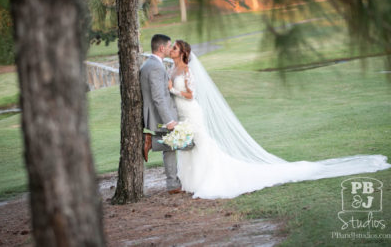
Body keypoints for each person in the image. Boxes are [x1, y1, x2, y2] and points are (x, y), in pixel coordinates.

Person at [167, 40, 391, 199]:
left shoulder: (187, 71)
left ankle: (209, 179)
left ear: (183, 52)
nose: (172, 50)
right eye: (171, 48)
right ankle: (191, 181)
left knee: (202, 143)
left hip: (191, 110)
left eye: (175, 48)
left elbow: (191, 94)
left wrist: (173, 91)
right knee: (190, 145)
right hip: (182, 113)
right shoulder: (172, 69)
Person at [140, 34, 182, 194]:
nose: (171, 49)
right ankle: (173, 185)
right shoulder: (156, 67)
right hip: (160, 115)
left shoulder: (149, 64)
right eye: (169, 46)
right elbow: (158, 97)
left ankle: (151, 140)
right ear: (162, 48)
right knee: (170, 147)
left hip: (156, 113)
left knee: (171, 146)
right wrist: (169, 120)